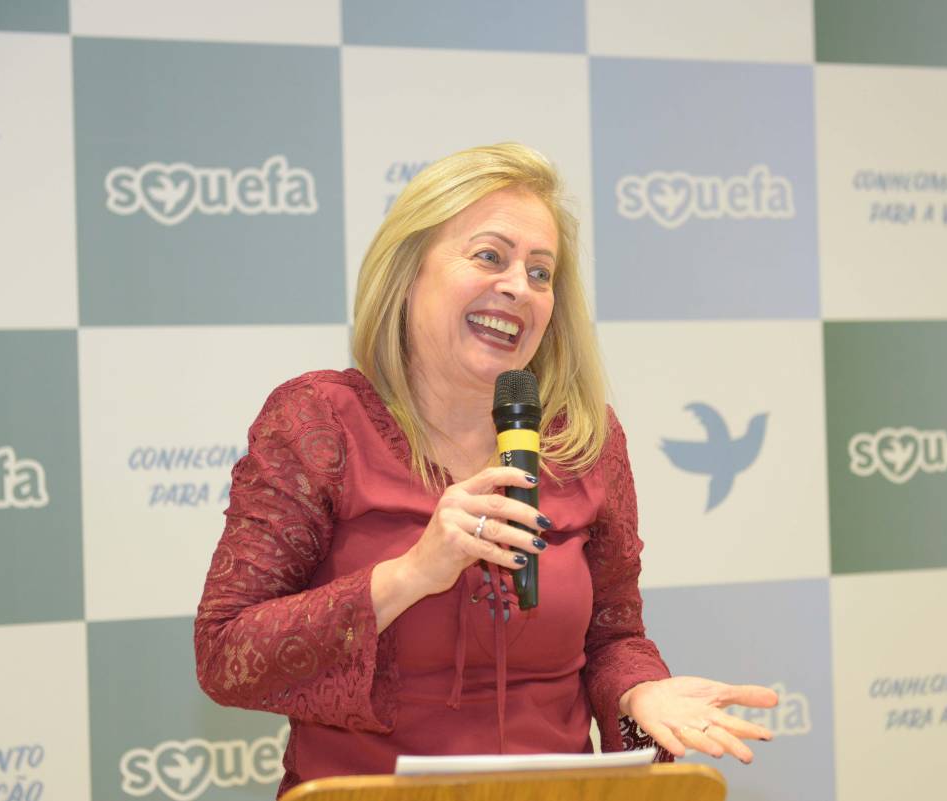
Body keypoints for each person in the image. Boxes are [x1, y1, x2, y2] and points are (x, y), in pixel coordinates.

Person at [194, 143, 778, 796]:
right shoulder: (320, 421)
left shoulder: (584, 437)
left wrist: (640, 691)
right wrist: (411, 574)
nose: (518, 287)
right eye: (490, 257)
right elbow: (224, 654)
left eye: (540, 272)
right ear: (409, 272)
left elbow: (613, 639)